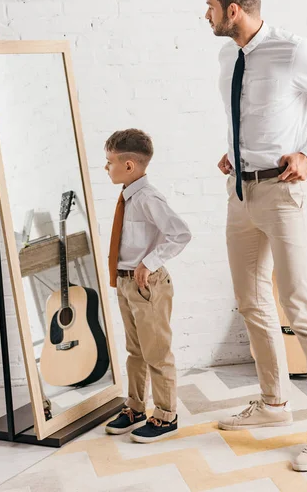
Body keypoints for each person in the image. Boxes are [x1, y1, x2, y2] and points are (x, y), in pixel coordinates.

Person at [204, 0, 307, 471]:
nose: (204, 12)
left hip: (286, 194)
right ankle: (275, 404)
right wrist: (235, 153)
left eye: (210, 4)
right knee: (252, 300)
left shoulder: (295, 51)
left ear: (234, 9)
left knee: (301, 307)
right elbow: (247, 116)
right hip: (242, 193)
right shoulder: (229, 54)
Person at [104, 128, 191, 443]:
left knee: (157, 352)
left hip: (147, 284)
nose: (106, 167)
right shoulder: (129, 196)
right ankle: (136, 406)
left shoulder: (147, 197)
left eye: (110, 161)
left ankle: (167, 415)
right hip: (126, 283)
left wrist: (148, 263)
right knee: (135, 351)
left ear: (129, 165)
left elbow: (180, 233)